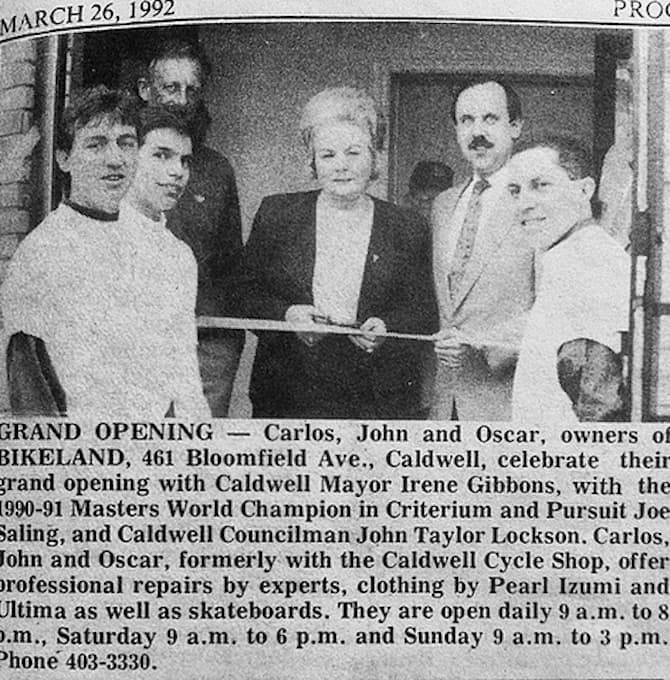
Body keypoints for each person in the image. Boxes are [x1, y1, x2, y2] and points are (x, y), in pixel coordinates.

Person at [236, 87, 438, 418]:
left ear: (375, 157)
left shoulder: (407, 226)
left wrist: (386, 326)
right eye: (328, 155)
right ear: (312, 162)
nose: (341, 166)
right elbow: (242, 293)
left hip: (377, 398)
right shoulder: (278, 214)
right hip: (289, 394)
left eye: (354, 153)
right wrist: (288, 316)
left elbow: (425, 310)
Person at [1, 86, 139, 415]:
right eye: (96, 144)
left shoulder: (147, 244)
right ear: (64, 158)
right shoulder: (44, 251)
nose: (115, 158)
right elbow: (31, 390)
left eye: (126, 143)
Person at [138, 39, 244, 417]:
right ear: (145, 90)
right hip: (136, 337)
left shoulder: (217, 170)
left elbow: (232, 264)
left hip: (206, 340)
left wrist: (223, 344)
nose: (182, 101)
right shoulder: (121, 157)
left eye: (192, 90)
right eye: (170, 88)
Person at [431, 77, 535, 420]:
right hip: (445, 405)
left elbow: (555, 305)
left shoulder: (536, 203)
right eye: (467, 120)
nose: (478, 132)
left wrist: (482, 344)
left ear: (515, 127)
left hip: (507, 405)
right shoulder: (443, 204)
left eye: (490, 119)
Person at [507, 135, 630, 422]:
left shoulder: (591, 264)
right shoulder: (570, 257)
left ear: (585, 189)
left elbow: (599, 410)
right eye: (515, 191)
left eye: (541, 186)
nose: (524, 203)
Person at [115, 105, 209, 418]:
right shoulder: (95, 237)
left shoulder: (180, 255)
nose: (177, 171)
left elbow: (184, 365)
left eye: (185, 161)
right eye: (161, 155)